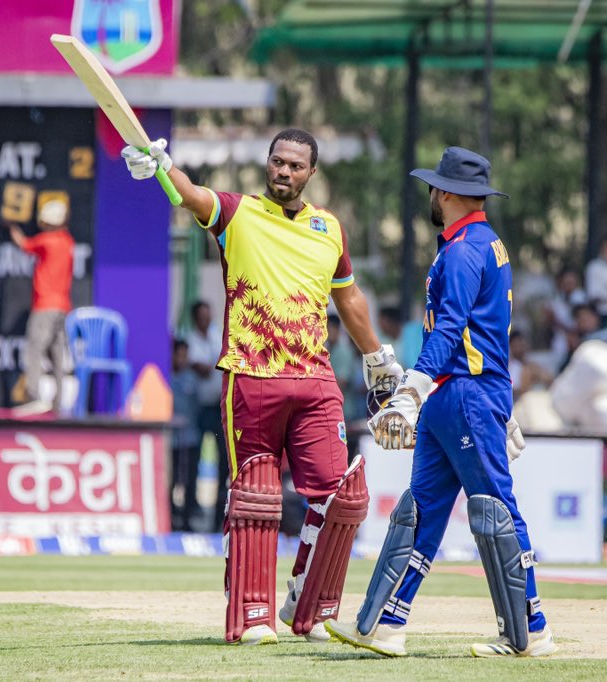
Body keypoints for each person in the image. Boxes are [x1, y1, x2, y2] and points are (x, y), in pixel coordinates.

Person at [122, 129, 403, 646]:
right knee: (255, 497)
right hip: (252, 377)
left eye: (296, 165)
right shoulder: (238, 213)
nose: (284, 172)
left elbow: (350, 298)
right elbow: (191, 194)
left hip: (316, 381)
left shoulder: (329, 228)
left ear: (311, 173)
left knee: (340, 496)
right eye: (278, 162)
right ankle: (252, 613)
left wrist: (379, 357)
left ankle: (310, 602)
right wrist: (162, 168)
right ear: (267, 163)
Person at [325, 146, 556, 658]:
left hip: (463, 392)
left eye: (434, 187)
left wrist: (412, 389)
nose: (431, 195)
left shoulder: (465, 250)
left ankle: (530, 628)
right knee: (421, 510)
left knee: (496, 509)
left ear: (445, 192)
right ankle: (386, 623)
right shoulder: (480, 242)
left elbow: (453, 329)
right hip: (460, 394)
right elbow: (487, 328)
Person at [7, 200, 75, 415]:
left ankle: (35, 397)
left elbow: (23, 244)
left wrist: (11, 226)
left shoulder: (47, 241)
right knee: (57, 356)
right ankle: (58, 404)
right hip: (63, 308)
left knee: (34, 350)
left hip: (45, 306)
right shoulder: (68, 241)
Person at [184, 301, 230, 532]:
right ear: (195, 319)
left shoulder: (216, 336)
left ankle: (218, 515)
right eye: (202, 317)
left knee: (223, 462)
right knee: (193, 461)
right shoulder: (190, 339)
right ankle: (189, 513)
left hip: (218, 406)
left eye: (208, 316)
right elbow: (200, 370)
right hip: (199, 408)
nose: (206, 321)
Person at [170, 338, 202, 531]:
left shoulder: (191, 379)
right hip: (170, 440)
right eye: (178, 355)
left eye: (185, 355)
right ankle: (171, 518)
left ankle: (187, 519)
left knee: (190, 479)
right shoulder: (166, 377)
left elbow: (197, 407)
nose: (182, 359)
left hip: (190, 437)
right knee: (172, 479)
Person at [545, 266, 587, 366]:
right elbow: (549, 321)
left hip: (580, 337)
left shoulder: (582, 297)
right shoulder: (555, 298)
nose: (569, 285)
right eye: (566, 282)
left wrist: (573, 334)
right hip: (560, 340)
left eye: (571, 282)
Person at [508, 330, 553, 402]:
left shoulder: (532, 365)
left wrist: (537, 376)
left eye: (522, 345)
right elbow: (513, 390)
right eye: (516, 346)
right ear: (511, 347)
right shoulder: (509, 367)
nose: (520, 349)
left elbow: (549, 379)